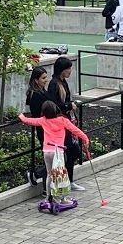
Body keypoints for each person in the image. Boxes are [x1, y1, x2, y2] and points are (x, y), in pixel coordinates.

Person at [19, 100, 90, 213]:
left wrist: (21, 116)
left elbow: (30, 121)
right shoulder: (62, 120)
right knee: (59, 174)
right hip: (58, 151)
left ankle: (48, 198)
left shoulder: (43, 120)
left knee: (49, 174)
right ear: (56, 109)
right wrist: (85, 138)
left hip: (47, 151)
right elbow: (75, 130)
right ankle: (61, 199)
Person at [46, 55, 84, 190]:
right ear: (62, 69)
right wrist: (68, 106)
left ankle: (69, 179)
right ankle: (40, 173)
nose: (70, 71)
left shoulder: (63, 82)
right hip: (59, 124)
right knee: (69, 151)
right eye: (68, 69)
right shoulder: (54, 84)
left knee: (72, 151)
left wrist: (70, 105)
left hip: (66, 120)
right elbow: (54, 105)